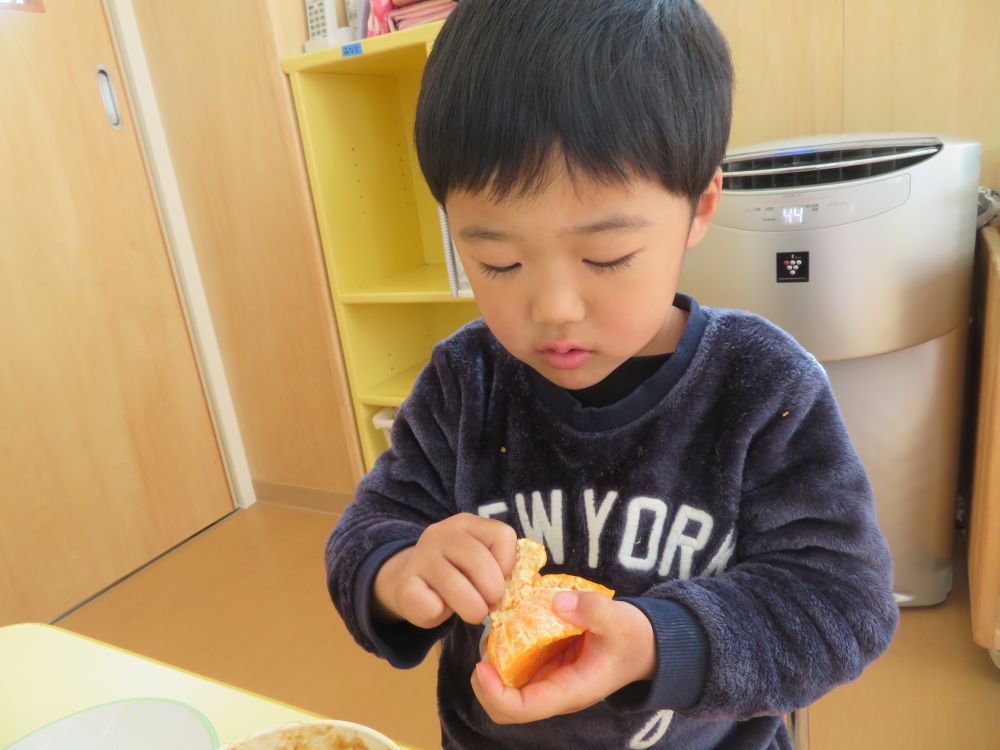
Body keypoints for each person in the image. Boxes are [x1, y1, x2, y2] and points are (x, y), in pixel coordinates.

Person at [325, 1, 899, 748]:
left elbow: (843, 605)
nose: (555, 308)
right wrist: (399, 571)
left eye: (606, 258)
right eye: (498, 262)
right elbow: (364, 534)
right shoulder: (465, 383)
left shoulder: (762, 389)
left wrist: (658, 640)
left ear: (701, 206)